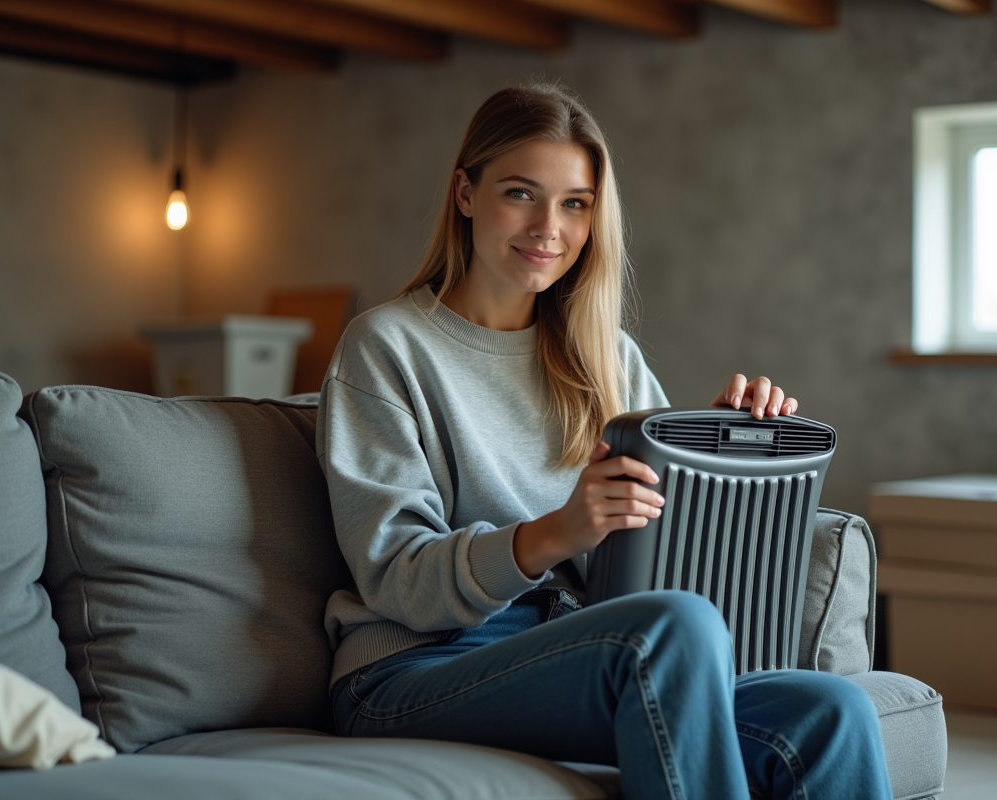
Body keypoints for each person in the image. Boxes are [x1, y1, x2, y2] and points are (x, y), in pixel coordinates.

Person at [317, 82, 891, 800]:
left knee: (829, 710)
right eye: (521, 193)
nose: (547, 228)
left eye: (575, 204)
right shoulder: (387, 346)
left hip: (572, 656)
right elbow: (397, 580)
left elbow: (666, 555)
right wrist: (556, 533)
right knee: (668, 629)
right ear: (465, 193)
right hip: (409, 671)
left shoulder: (605, 354)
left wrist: (718, 450)